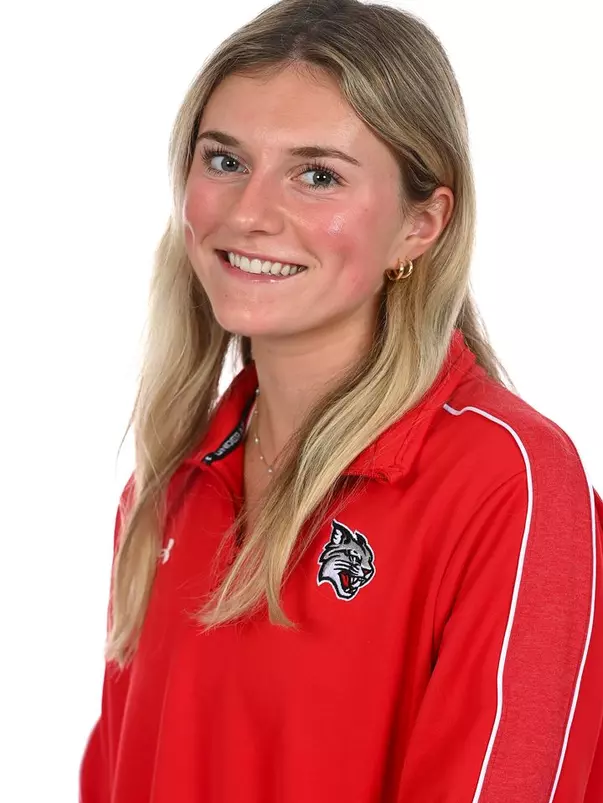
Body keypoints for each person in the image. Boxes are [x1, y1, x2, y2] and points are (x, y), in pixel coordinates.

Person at [79, 1, 603, 801]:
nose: (248, 213)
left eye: (316, 174)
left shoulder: (509, 481)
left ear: (419, 225)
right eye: (223, 160)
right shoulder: (165, 489)